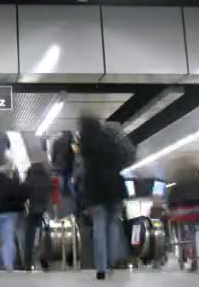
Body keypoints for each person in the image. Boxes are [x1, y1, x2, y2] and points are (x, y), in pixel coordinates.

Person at [79, 116, 131, 280]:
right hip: (114, 187)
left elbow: (82, 170)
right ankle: (112, 260)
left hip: (95, 190)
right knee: (114, 226)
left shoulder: (85, 144)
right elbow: (126, 155)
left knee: (99, 228)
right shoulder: (111, 138)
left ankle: (101, 267)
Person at [0, 158, 26, 271]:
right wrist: (18, 209)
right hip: (8, 214)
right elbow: (18, 197)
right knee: (8, 239)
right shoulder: (11, 182)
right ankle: (8, 264)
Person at [21, 162, 51, 270]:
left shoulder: (30, 179)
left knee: (29, 237)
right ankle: (41, 255)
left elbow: (23, 193)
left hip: (31, 212)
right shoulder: (46, 179)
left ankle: (28, 262)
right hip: (42, 212)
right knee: (40, 235)